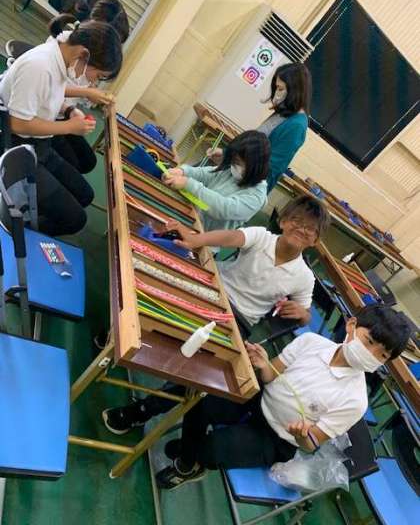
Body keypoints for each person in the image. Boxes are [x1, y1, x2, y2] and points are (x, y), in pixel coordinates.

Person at [101, 195, 330, 434]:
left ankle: (142, 411)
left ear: (315, 240)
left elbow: (305, 314)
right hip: (214, 290)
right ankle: (114, 338)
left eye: (310, 229)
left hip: (239, 320)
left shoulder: (304, 277)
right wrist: (196, 240)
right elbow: (232, 237)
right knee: (158, 299)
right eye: (297, 221)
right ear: (283, 221)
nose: (302, 229)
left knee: (197, 371)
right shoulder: (262, 237)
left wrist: (302, 313)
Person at [154, 305, 410, 489]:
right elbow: (270, 377)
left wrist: (301, 435)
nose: (370, 354)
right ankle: (189, 458)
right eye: (369, 341)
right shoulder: (311, 342)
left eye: (382, 355)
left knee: (211, 448)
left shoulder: (355, 400)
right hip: (258, 400)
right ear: (351, 325)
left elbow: (310, 444)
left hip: (277, 439)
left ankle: (192, 460)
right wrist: (264, 363)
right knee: (201, 401)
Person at [0, 15, 123, 236]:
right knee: (75, 220)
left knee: (85, 195)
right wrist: (69, 127)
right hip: (19, 150)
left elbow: (50, 92)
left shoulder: (60, 56)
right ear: (84, 54)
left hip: (40, 145)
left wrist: (68, 110)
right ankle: (12, 223)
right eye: (98, 75)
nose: (94, 81)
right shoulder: (40, 66)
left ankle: (25, 211)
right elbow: (17, 124)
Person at [208, 63, 311, 193]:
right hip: (238, 175)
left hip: (247, 187)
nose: (276, 93)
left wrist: (236, 165)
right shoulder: (283, 113)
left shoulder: (296, 126)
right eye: (276, 87)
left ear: (295, 90)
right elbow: (252, 145)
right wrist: (226, 154)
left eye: (280, 88)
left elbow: (272, 167)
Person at [52, 0, 129, 174]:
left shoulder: (91, 59)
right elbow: (49, 88)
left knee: (87, 162)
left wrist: (92, 95)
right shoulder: (66, 45)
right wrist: (86, 93)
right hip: (49, 115)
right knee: (73, 166)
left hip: (62, 112)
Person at [162, 130, 270, 235]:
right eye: (233, 160)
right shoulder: (231, 171)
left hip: (202, 238)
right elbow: (205, 174)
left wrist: (188, 184)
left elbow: (223, 208)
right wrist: (182, 171)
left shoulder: (256, 196)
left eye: (237, 162)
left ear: (254, 165)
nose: (233, 165)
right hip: (191, 218)